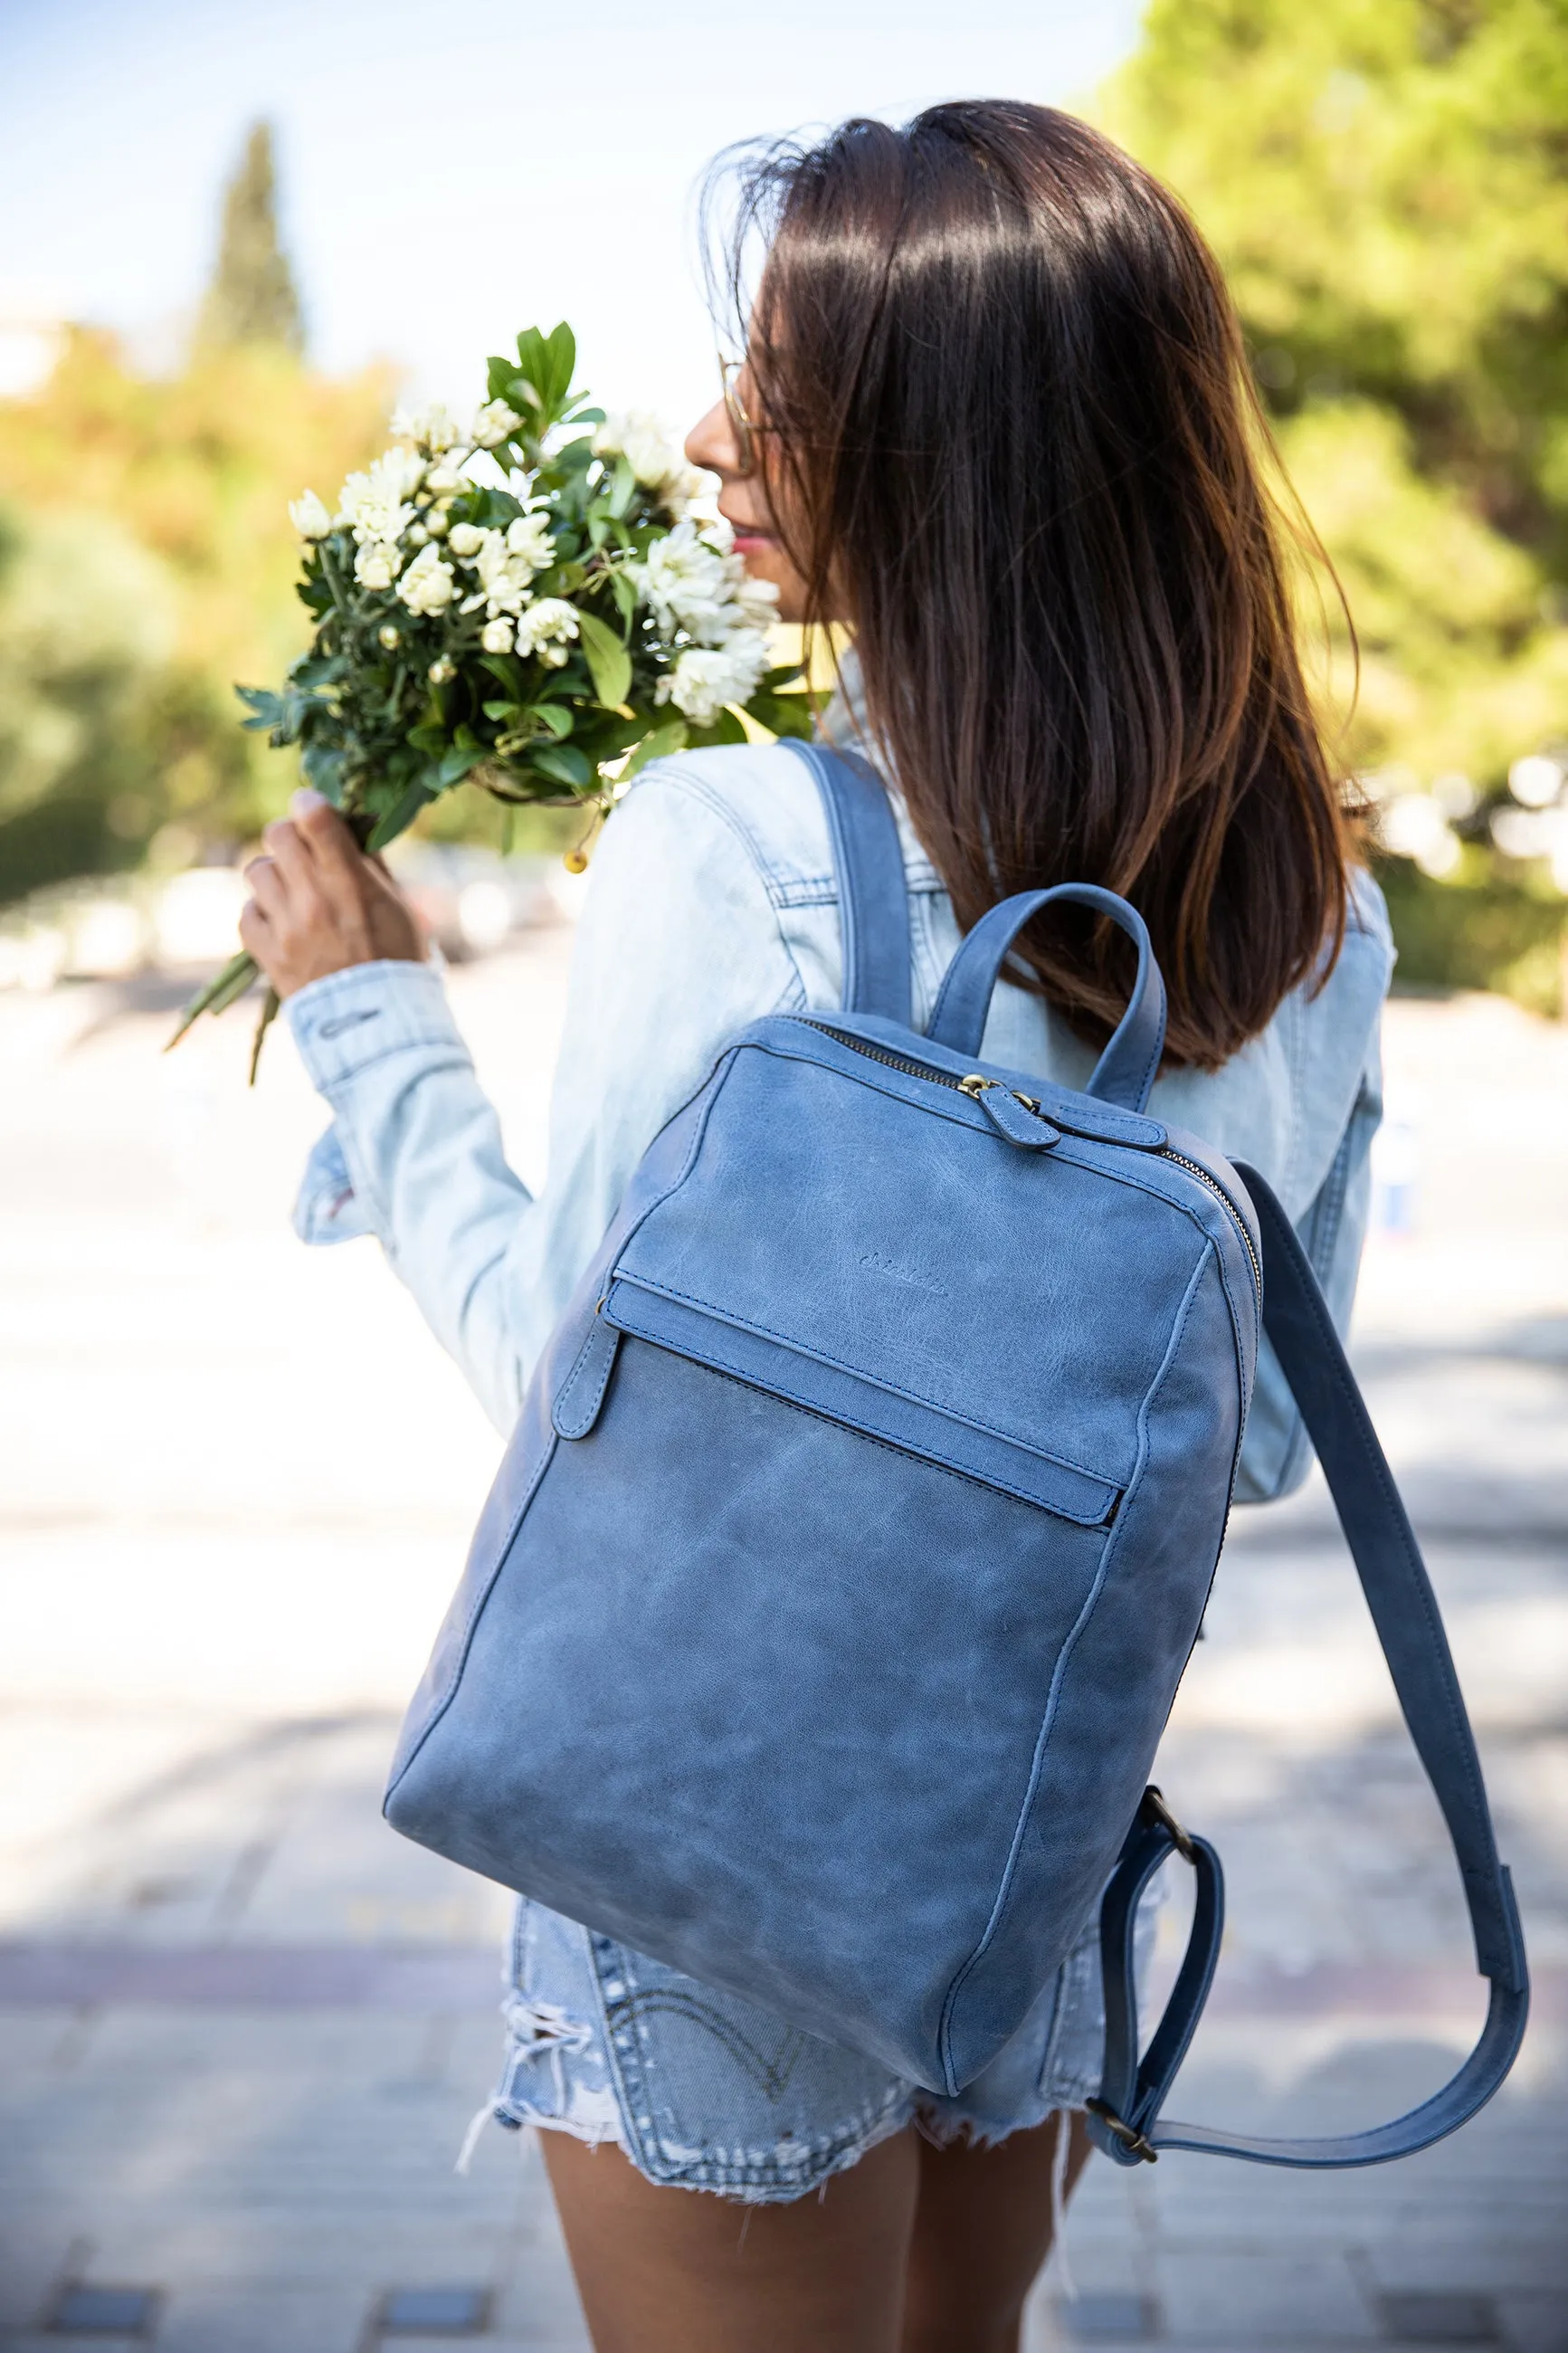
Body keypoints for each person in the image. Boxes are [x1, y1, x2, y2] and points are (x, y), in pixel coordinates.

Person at [237, 100, 1392, 2353]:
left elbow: (564, 1405)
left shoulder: (735, 843)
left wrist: (369, 1023)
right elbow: (1240, 1449)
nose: (701, 439)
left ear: (952, 453)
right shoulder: (1308, 900)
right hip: (1027, 1859)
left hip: (707, 1864)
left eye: (784, 388)